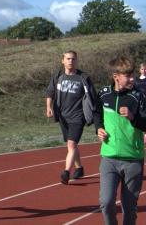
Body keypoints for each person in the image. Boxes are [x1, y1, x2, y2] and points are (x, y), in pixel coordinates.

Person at [94, 56, 146, 225]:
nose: (133, 79)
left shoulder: (138, 96)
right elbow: (96, 112)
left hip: (133, 159)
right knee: (106, 202)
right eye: (128, 76)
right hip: (109, 158)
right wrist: (99, 128)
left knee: (129, 208)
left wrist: (133, 118)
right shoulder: (104, 94)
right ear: (116, 76)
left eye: (133, 75)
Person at [46, 50, 97, 184]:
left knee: (71, 143)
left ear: (77, 61)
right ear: (63, 60)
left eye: (73, 59)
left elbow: (93, 96)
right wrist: (48, 108)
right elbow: (50, 92)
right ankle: (79, 168)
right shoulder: (58, 76)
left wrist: (93, 113)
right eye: (68, 59)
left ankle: (66, 172)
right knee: (71, 146)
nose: (70, 61)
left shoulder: (83, 77)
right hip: (63, 116)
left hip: (78, 116)